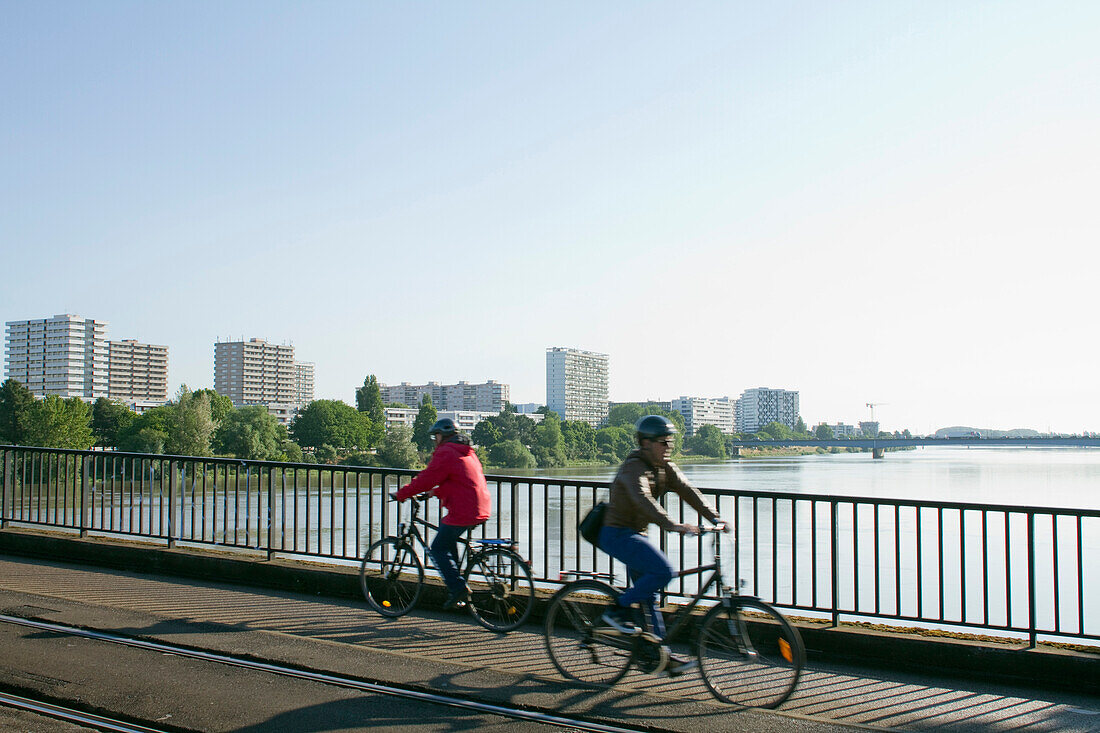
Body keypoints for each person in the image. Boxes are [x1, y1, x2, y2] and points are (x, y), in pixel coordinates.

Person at [597, 414, 727, 673]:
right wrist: (673, 525)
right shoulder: (633, 467)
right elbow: (642, 498)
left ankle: (660, 656)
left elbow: (689, 491)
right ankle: (616, 610)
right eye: (662, 442)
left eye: (670, 441)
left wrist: (716, 517)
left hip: (636, 534)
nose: (668, 446)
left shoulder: (665, 467)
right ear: (645, 443)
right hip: (617, 533)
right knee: (663, 571)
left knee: (649, 597)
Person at [393, 417, 491, 609]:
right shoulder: (467, 451)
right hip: (479, 505)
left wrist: (402, 493)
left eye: (436, 436)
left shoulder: (446, 452)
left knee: (437, 548)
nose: (435, 440)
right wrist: (436, 491)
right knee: (448, 542)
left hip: (464, 509)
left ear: (442, 435)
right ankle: (458, 588)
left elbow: (427, 478)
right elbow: (460, 480)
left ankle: (458, 589)